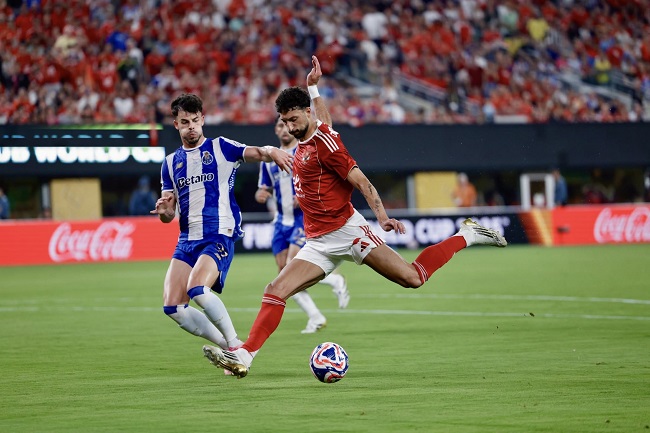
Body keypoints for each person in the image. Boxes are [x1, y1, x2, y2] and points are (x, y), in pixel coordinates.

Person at [203, 55, 507, 379]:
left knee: (413, 278)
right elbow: (325, 122)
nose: (289, 127)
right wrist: (313, 88)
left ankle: (467, 235)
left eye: (293, 119)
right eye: (284, 121)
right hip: (318, 242)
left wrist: (382, 217)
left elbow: (362, 182)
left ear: (305, 113)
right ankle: (244, 357)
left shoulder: (327, 146)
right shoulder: (311, 135)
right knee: (275, 290)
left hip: (349, 232)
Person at [150, 93, 292, 369]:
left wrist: (272, 151)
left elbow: (256, 153)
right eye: (184, 122)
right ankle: (228, 348)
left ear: (203, 119)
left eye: (195, 120)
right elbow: (168, 214)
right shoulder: (169, 163)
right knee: (173, 307)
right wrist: (165, 210)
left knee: (197, 288)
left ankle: (236, 346)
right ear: (176, 124)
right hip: (186, 239)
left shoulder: (221, 147)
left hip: (218, 234)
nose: (191, 126)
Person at [256, 115, 350, 334]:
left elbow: (319, 180)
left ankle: (334, 280)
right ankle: (315, 317)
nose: (284, 129)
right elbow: (264, 188)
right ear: (276, 130)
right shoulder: (269, 161)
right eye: (280, 125)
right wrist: (261, 193)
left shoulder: (304, 152)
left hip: (302, 219)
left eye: (286, 125)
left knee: (292, 267)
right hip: (280, 222)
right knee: (284, 275)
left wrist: (303, 196)